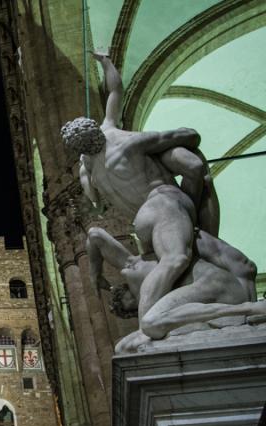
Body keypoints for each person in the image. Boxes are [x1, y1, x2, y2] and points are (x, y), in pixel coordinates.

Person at [62, 52, 221, 325]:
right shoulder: (120, 141)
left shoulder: (87, 167)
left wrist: (93, 274)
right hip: (165, 203)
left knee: (174, 261)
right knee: (177, 257)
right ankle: (150, 318)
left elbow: (95, 206)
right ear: (95, 132)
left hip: (142, 221)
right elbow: (116, 91)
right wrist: (106, 62)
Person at [85, 226, 262, 352]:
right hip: (223, 289)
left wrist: (95, 274)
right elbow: (95, 235)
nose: (133, 302)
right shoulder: (139, 266)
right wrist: (95, 274)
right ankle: (247, 308)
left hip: (215, 286)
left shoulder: (134, 269)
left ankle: (248, 308)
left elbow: (95, 234)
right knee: (125, 345)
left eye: (128, 301)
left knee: (146, 326)